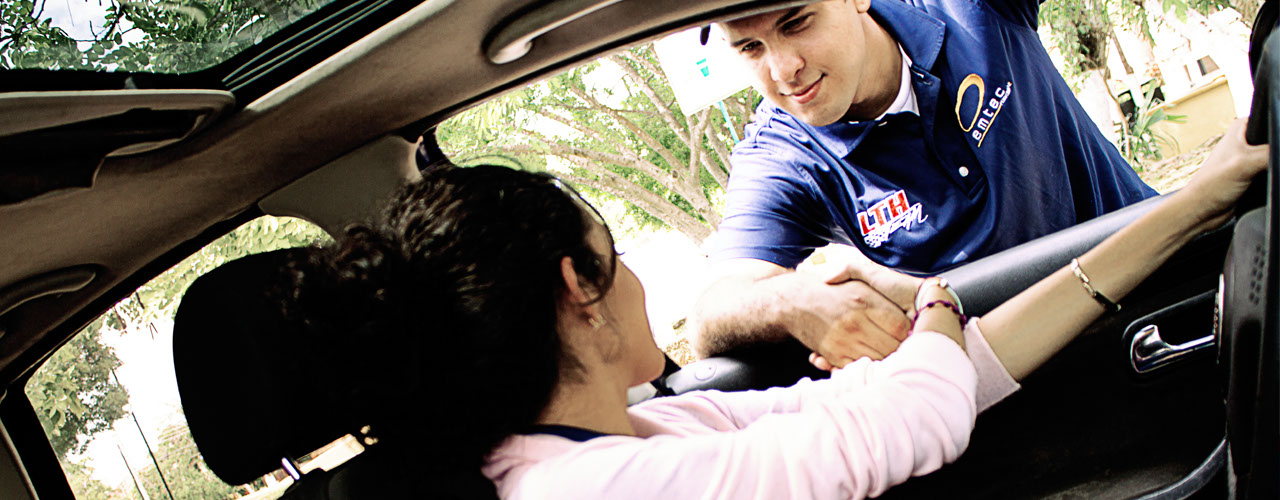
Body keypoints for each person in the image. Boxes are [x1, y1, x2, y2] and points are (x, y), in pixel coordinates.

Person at [278, 119, 1263, 499]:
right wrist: (921, 300)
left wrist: (1193, 206)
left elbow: (924, 387)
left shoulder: (634, 432)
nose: (634, 282)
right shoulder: (583, 492)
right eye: (611, 254)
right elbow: (910, 409)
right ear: (578, 289)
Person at [691, 0, 1161, 367]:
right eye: (750, 48)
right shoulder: (781, 154)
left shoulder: (966, 9)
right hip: (1012, 377)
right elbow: (715, 309)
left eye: (797, 23)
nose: (782, 69)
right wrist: (792, 298)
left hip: (1158, 290)